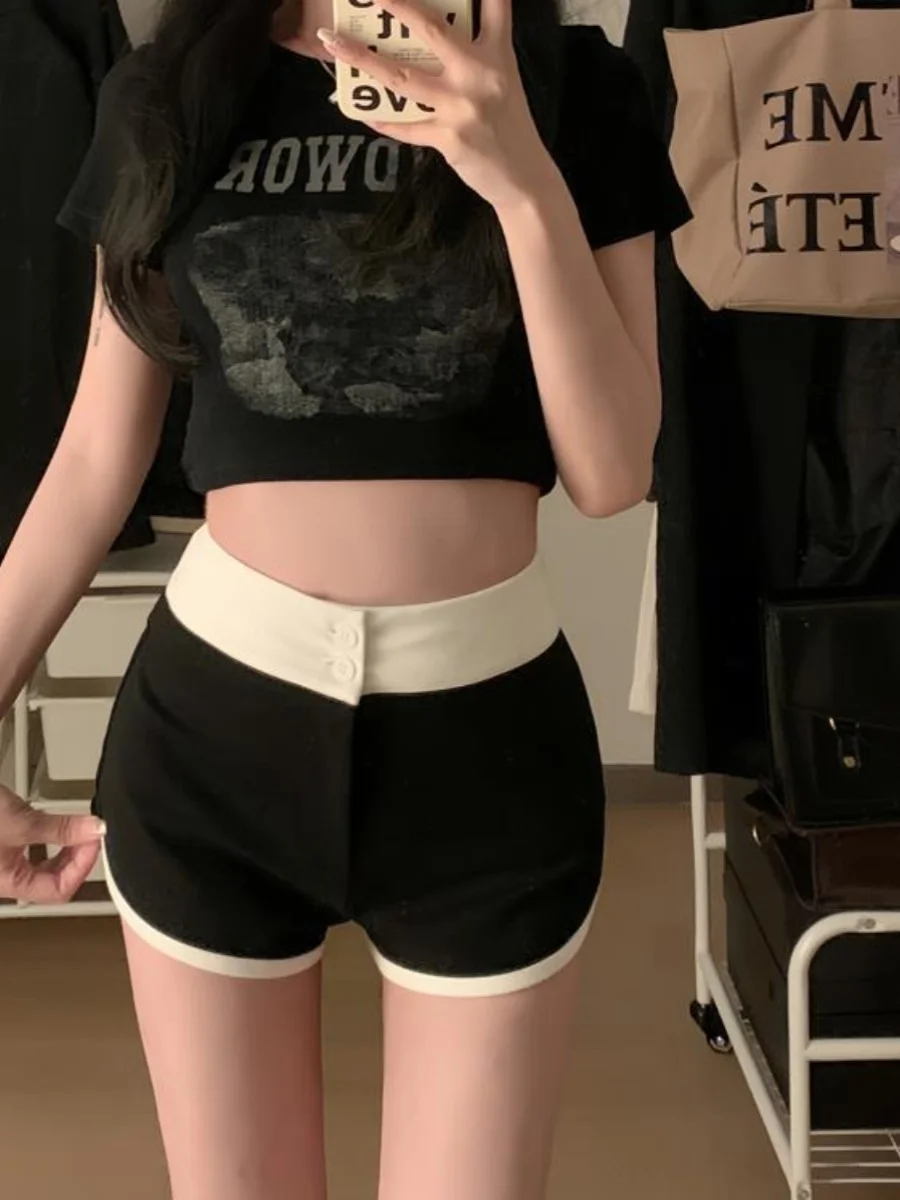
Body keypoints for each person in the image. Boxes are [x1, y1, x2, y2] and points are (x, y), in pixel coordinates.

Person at [0, 0, 690, 1195]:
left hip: (489, 747)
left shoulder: (573, 85)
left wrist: (520, 176)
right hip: (214, 736)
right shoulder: (168, 92)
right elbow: (95, 459)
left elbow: (613, 469)